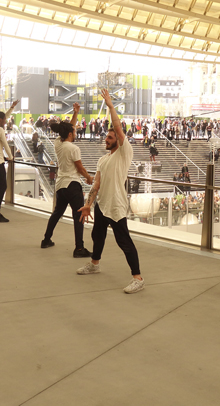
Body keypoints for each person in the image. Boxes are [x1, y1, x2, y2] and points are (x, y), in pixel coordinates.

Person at [77, 89, 144, 294]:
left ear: (118, 139)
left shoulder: (124, 153)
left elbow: (117, 126)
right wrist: (88, 204)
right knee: (98, 236)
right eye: (106, 137)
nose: (106, 139)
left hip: (116, 204)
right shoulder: (102, 159)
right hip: (102, 204)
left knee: (124, 241)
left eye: (109, 137)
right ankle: (95, 264)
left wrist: (111, 106)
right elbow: (96, 184)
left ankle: (138, 278)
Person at [41, 105, 94, 255]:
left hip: (61, 185)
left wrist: (75, 113)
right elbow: (80, 168)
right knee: (78, 216)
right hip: (73, 185)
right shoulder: (73, 148)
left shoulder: (58, 143)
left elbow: (68, 127)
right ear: (71, 134)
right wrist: (89, 177)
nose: (76, 131)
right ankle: (79, 248)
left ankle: (46, 240)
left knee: (57, 213)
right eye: (75, 130)